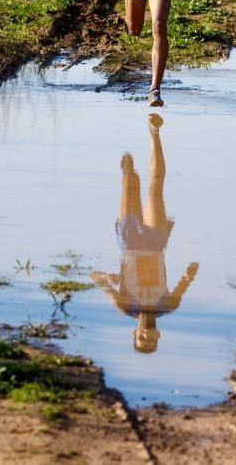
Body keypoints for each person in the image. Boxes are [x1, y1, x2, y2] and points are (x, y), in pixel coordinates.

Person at [90, 114, 199, 353]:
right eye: (151, 338)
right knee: (155, 189)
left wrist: (106, 278)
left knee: (131, 182)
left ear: (135, 332)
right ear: (158, 334)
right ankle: (155, 133)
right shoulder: (169, 305)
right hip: (155, 243)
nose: (147, 333)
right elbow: (185, 282)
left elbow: (102, 282)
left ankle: (128, 174)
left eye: (142, 337)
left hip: (128, 242)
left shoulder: (125, 307)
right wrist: (191, 272)